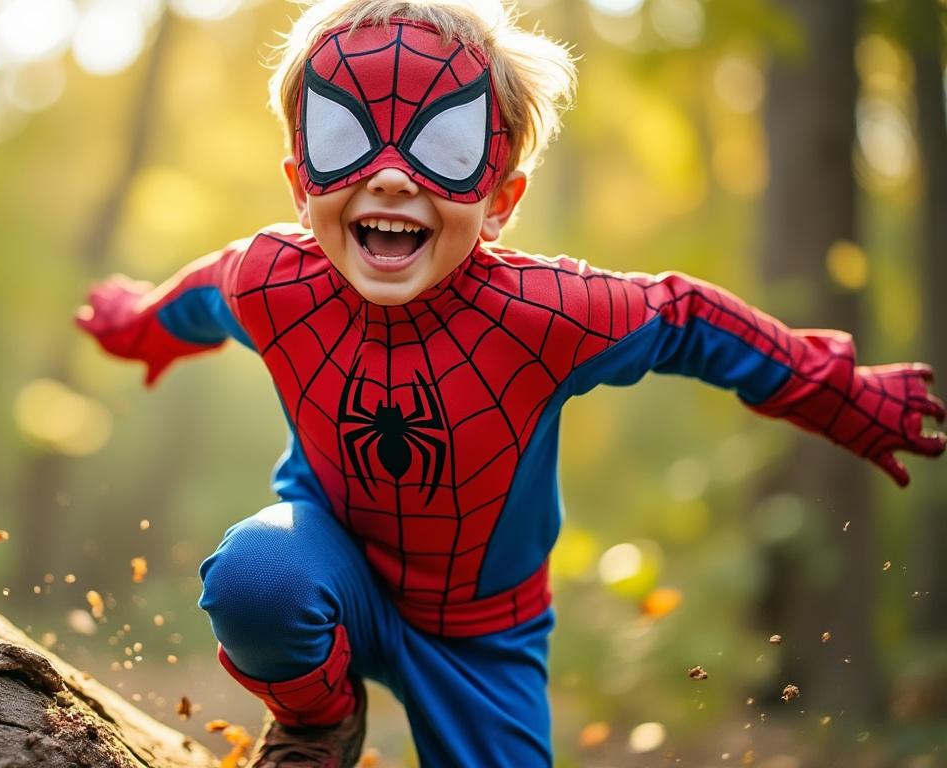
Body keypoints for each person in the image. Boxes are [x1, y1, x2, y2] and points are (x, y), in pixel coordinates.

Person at [76, 0, 946, 764]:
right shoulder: (272, 279)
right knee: (255, 577)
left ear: (500, 198)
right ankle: (317, 724)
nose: (389, 174)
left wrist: (838, 392)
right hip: (327, 569)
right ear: (302, 184)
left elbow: (687, 320)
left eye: (442, 148)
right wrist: (134, 327)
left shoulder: (546, 313)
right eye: (346, 141)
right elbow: (195, 300)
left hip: (483, 637)